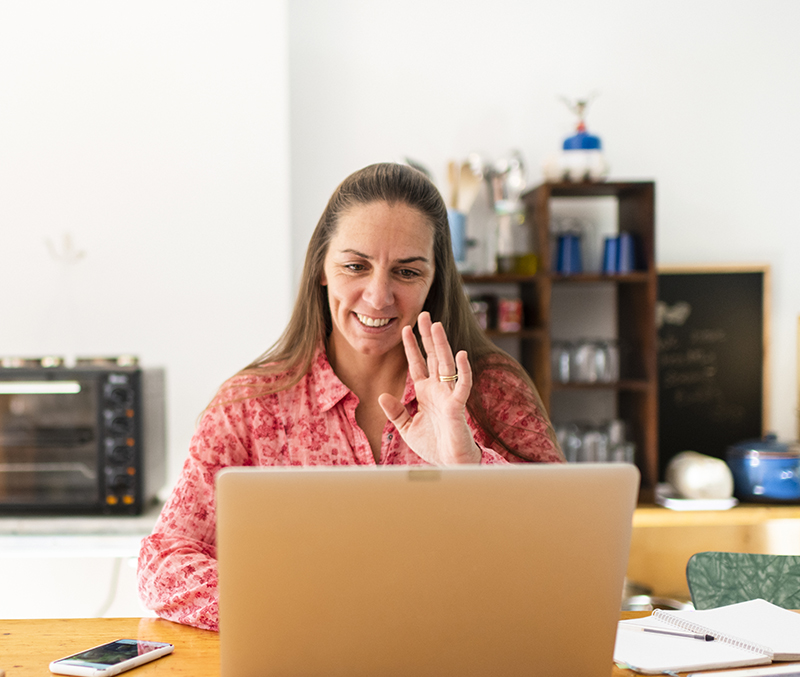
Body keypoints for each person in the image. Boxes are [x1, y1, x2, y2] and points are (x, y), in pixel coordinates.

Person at [138, 162, 563, 631]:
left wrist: (470, 467)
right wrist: (298, 607)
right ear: (322, 268)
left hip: (464, 667)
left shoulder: (493, 390)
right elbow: (163, 564)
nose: (378, 297)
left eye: (406, 271)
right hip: (303, 669)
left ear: (434, 280)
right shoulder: (249, 405)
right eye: (355, 266)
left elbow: (569, 551)